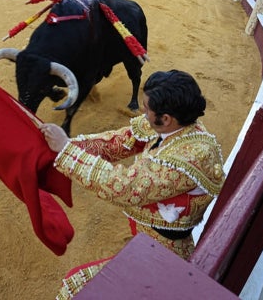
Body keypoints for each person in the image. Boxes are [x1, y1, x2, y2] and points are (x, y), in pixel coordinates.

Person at [40, 70, 225, 300]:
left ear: (166, 118)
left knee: (75, 290)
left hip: (163, 254)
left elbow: (124, 187)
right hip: (147, 241)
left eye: (147, 109)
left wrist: (67, 152)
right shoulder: (176, 126)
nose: (143, 113)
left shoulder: (188, 158)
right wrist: (68, 143)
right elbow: (119, 142)